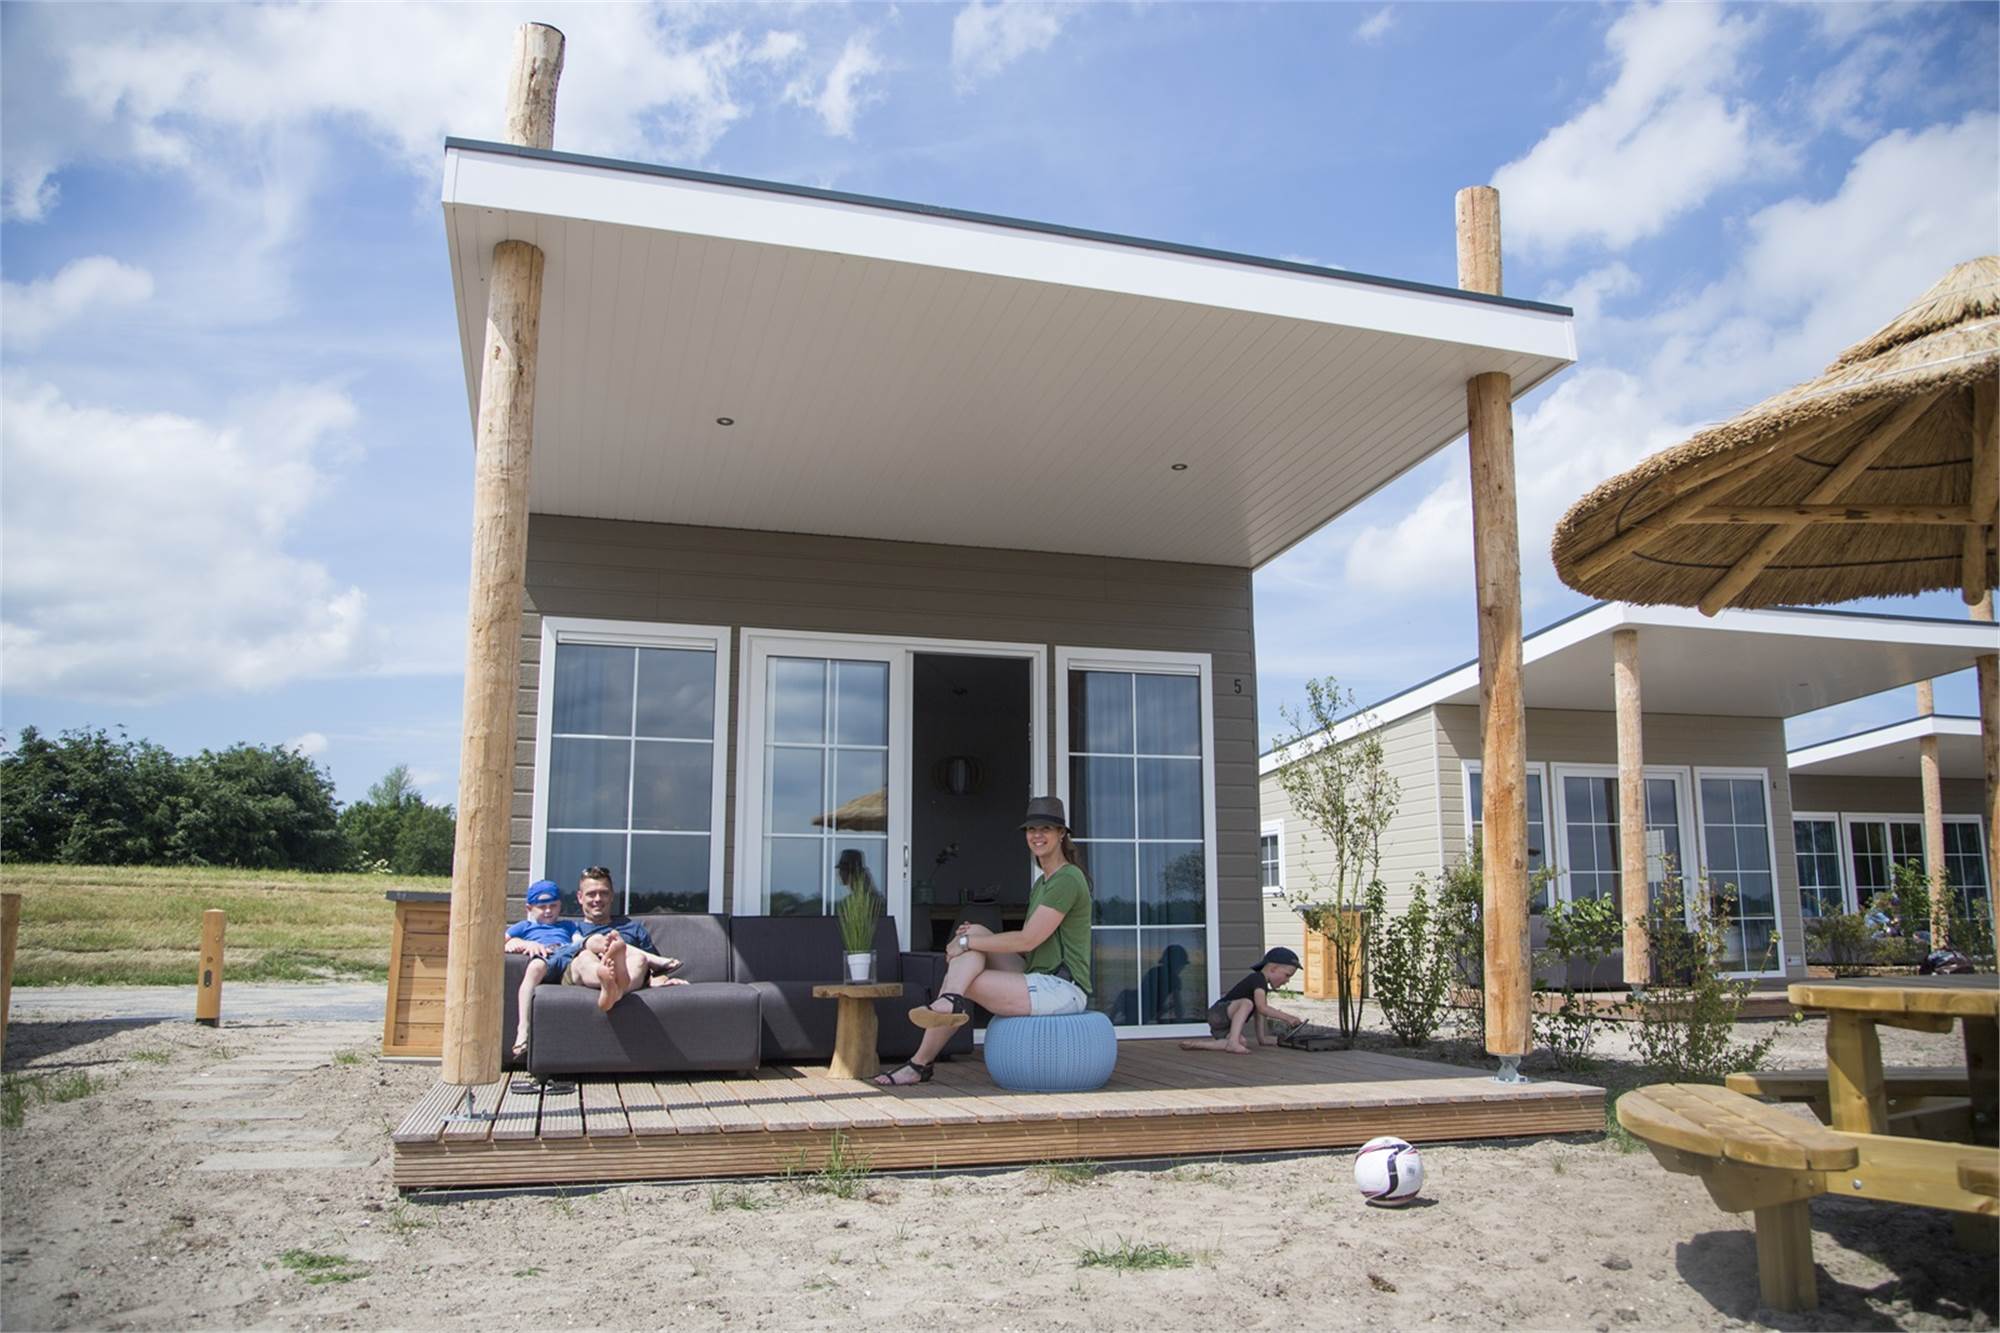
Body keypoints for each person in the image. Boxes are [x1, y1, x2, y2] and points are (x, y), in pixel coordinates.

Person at [874, 796, 1092, 1087]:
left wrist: (966, 944)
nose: (1037, 835)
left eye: (1046, 829)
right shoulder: (1042, 883)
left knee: (965, 976)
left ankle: (921, 1060)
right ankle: (947, 1006)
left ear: (1061, 833)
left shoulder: (1067, 879)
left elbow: (1028, 940)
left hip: (1062, 988)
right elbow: (1031, 949)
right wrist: (972, 937)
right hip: (1038, 975)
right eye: (1031, 829)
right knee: (974, 931)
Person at [546, 866, 687, 1013]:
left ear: (612, 896)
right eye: (591, 894)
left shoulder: (632, 928)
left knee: (639, 959)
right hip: (582, 973)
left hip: (625, 972)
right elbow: (553, 959)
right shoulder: (568, 928)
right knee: (585, 956)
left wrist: (662, 980)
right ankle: (608, 980)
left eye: (603, 893)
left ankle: (613, 991)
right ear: (580, 897)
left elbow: (652, 969)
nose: (598, 899)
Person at [1180, 947, 1306, 1055]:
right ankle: (1233, 1043)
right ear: (1273, 968)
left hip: (1223, 1024)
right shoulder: (1258, 979)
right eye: (1287, 975)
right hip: (1219, 1012)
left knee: (1242, 1042)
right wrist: (1288, 1018)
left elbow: (1259, 1012)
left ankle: (1200, 1044)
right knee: (1247, 1003)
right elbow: (1262, 1008)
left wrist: (1262, 1038)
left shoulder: (1262, 985)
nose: (1287, 981)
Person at [504, 879, 577, 1059]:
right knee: (535, 966)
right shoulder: (525, 927)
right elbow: (500, 941)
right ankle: (523, 1027)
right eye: (542, 907)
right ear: (529, 908)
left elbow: (579, 941)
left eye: (553, 906)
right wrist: (521, 943)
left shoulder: (568, 925)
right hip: (545, 955)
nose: (548, 911)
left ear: (560, 906)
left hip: (568, 955)